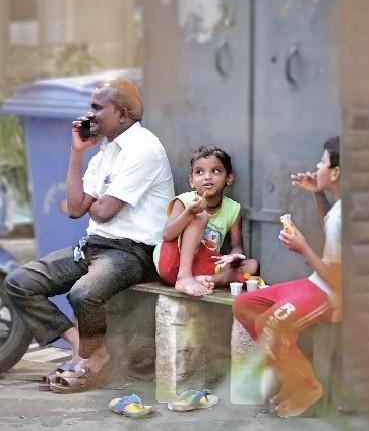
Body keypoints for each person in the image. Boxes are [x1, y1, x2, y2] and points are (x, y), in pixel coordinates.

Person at [3, 79, 174, 393]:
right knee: (20, 283)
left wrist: (92, 203)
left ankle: (91, 363)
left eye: (97, 107)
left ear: (122, 114)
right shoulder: (105, 151)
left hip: (132, 251)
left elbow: (104, 210)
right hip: (95, 247)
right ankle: (87, 349)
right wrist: (76, 153)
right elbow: (74, 208)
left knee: (83, 294)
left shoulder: (144, 149)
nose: (89, 114)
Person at [233, 136, 342, 418]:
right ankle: (293, 380)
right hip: (316, 284)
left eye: (322, 161)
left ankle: (307, 387)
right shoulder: (341, 208)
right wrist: (317, 193)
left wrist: (303, 248)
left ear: (336, 172)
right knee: (244, 305)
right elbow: (332, 225)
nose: (317, 166)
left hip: (332, 294)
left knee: (270, 325)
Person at [153, 145, 258, 296]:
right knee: (201, 215)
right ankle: (185, 278)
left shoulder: (233, 208)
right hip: (171, 262)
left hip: (201, 264)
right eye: (199, 172)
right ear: (191, 180)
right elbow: (167, 235)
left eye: (216, 171)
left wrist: (233, 256)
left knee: (252, 265)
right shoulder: (184, 201)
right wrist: (190, 213)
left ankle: (207, 280)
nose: (207, 177)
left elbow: (236, 246)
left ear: (229, 178)